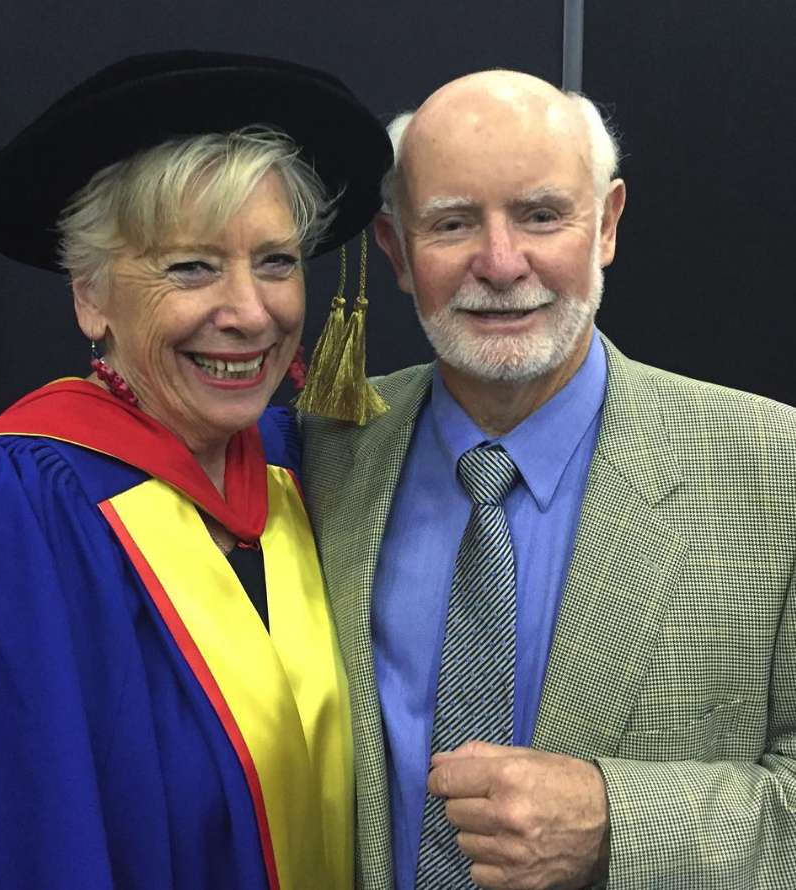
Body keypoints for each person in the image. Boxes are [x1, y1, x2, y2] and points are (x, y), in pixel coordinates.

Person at [0, 51, 392, 890]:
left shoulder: (305, 468)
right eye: (191, 267)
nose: (248, 312)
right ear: (90, 296)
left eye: (275, 261)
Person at [300, 69, 796, 890]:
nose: (499, 263)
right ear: (394, 249)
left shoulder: (775, 470)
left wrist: (615, 821)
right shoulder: (321, 451)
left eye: (540, 215)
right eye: (452, 223)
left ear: (605, 225)